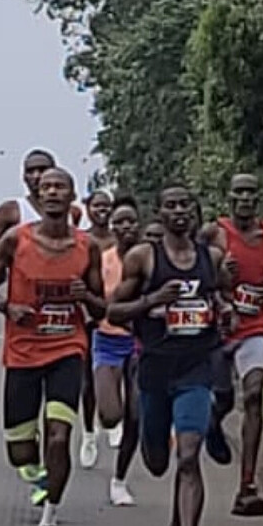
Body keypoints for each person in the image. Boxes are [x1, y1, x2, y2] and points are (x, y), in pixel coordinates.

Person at [108, 181, 232, 526]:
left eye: (185, 205)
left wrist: (224, 311)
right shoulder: (144, 258)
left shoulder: (211, 258)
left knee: (189, 457)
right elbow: (114, 311)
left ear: (195, 213)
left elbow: (221, 298)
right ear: (159, 215)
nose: (179, 211)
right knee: (158, 461)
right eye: (171, 206)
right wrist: (152, 300)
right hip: (155, 370)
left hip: (196, 367)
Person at [0, 167, 105, 526]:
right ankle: (36, 474)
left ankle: (49, 522)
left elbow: (102, 307)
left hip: (67, 348)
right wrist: (7, 307)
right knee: (20, 451)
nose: (51, 192)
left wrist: (85, 297)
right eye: (46, 187)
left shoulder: (86, 247)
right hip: (23, 351)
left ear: (71, 196)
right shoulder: (17, 239)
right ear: (37, 193)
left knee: (59, 436)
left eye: (59, 187)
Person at [200, 173, 263, 517]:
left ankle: (247, 485)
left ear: (258, 198)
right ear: (229, 197)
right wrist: (220, 278)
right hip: (219, 330)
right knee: (223, 397)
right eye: (239, 193)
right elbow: (193, 273)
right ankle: (213, 421)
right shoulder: (213, 233)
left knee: (254, 394)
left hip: (254, 327)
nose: (245, 199)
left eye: (251, 193)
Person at [93, 195, 142, 506]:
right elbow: (95, 299)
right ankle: (101, 424)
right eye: (119, 222)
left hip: (139, 344)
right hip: (107, 341)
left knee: (136, 415)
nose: (126, 227)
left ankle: (119, 480)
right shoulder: (104, 260)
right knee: (111, 415)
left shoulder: (149, 258)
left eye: (131, 221)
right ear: (112, 227)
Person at [79, 189, 117, 469]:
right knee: (87, 380)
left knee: (117, 371)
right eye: (97, 206)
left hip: (117, 315)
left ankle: (113, 420)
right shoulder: (81, 241)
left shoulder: (120, 240)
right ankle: (88, 433)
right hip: (88, 316)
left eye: (106, 206)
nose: (102, 211)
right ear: (87, 209)